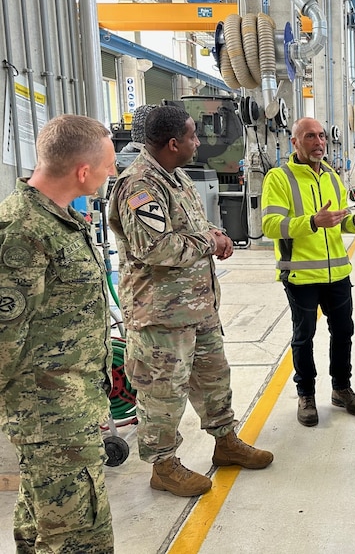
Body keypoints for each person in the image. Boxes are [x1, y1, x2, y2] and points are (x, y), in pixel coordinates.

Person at [108, 105, 273, 497]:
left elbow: (190, 226)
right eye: (192, 136)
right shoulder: (140, 185)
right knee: (163, 393)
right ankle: (163, 465)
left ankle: (225, 442)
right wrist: (208, 243)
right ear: (172, 143)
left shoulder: (175, 176)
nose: (197, 142)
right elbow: (155, 247)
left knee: (215, 379)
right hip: (161, 316)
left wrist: (214, 233)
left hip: (197, 308)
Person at [0, 114, 117, 552]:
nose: (111, 175)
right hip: (49, 419)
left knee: (39, 526)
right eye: (107, 167)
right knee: (81, 539)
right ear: (82, 172)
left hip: (70, 406)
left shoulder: (60, 219)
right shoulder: (24, 233)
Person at [260, 117, 355, 427]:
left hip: (337, 272)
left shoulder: (331, 177)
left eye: (322, 136)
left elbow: (339, 222)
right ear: (295, 143)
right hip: (301, 276)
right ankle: (306, 394)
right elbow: (270, 226)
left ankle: (341, 389)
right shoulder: (279, 178)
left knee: (343, 333)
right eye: (310, 136)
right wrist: (311, 222)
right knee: (304, 336)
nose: (319, 142)